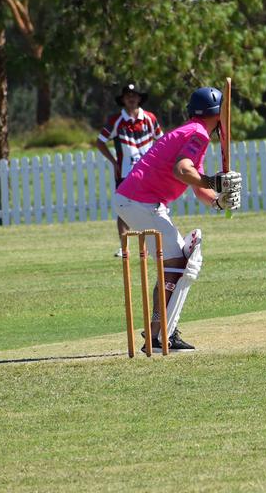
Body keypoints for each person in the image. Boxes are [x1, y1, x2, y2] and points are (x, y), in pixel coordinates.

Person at [112, 86, 240, 352]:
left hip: (139, 201)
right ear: (217, 115)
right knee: (181, 262)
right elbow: (182, 170)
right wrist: (213, 180)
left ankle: (161, 332)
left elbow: (197, 185)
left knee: (177, 262)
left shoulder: (192, 131)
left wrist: (218, 200)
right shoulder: (198, 134)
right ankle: (159, 336)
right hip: (140, 201)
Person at [95, 82, 164, 257]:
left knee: (149, 207)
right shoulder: (116, 120)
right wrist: (114, 162)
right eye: (128, 96)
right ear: (123, 100)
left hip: (148, 172)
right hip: (125, 172)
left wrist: (158, 162)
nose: (131, 98)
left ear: (140, 98)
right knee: (124, 208)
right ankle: (123, 246)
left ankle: (148, 245)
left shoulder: (149, 118)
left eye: (134, 95)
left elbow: (162, 140)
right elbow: (100, 141)